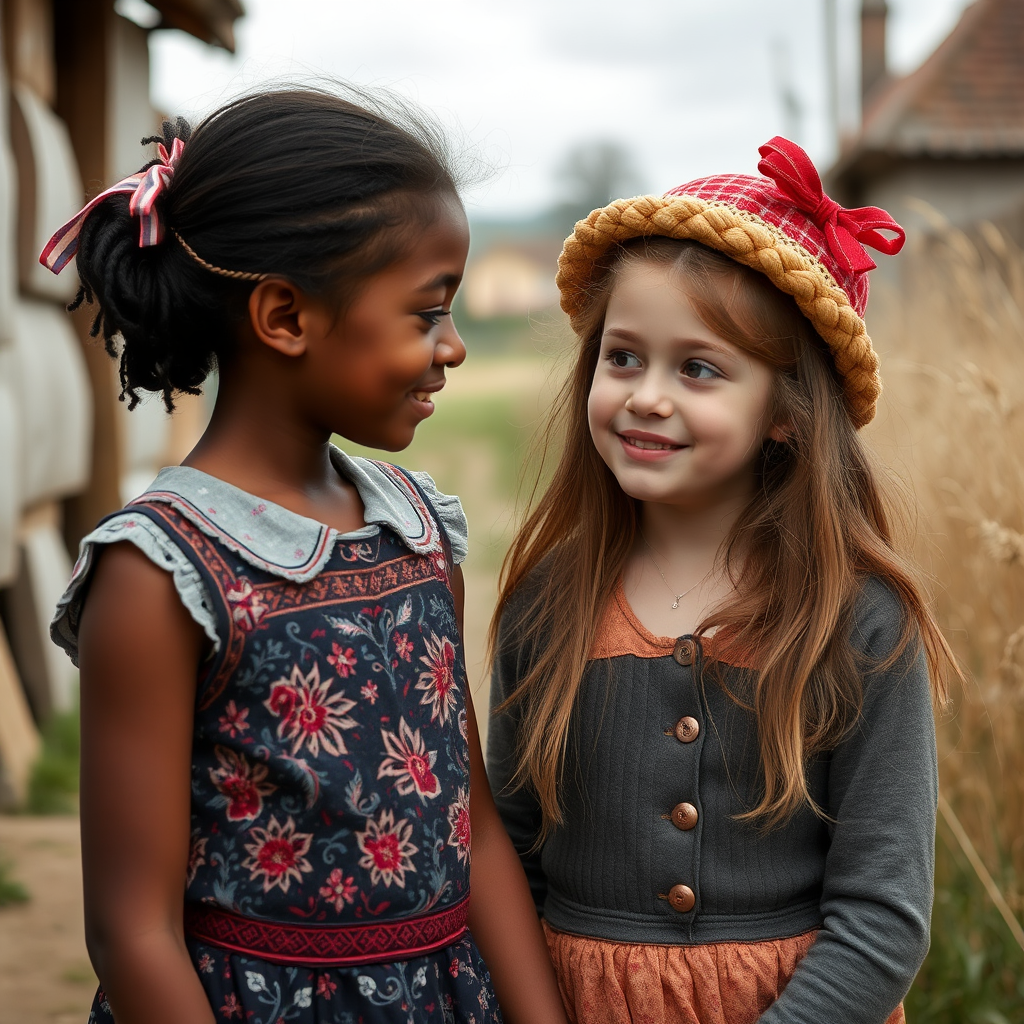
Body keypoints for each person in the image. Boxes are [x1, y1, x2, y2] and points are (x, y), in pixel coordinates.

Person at [44, 89, 567, 1024]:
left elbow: (474, 833)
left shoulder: (417, 530)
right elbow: (133, 933)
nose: (451, 346)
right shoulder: (162, 575)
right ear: (286, 317)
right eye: (425, 312)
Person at [486, 137, 958, 1024]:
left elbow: (882, 921)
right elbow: (508, 858)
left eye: (697, 368)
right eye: (622, 357)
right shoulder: (546, 606)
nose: (646, 395)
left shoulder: (857, 623)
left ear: (785, 413)